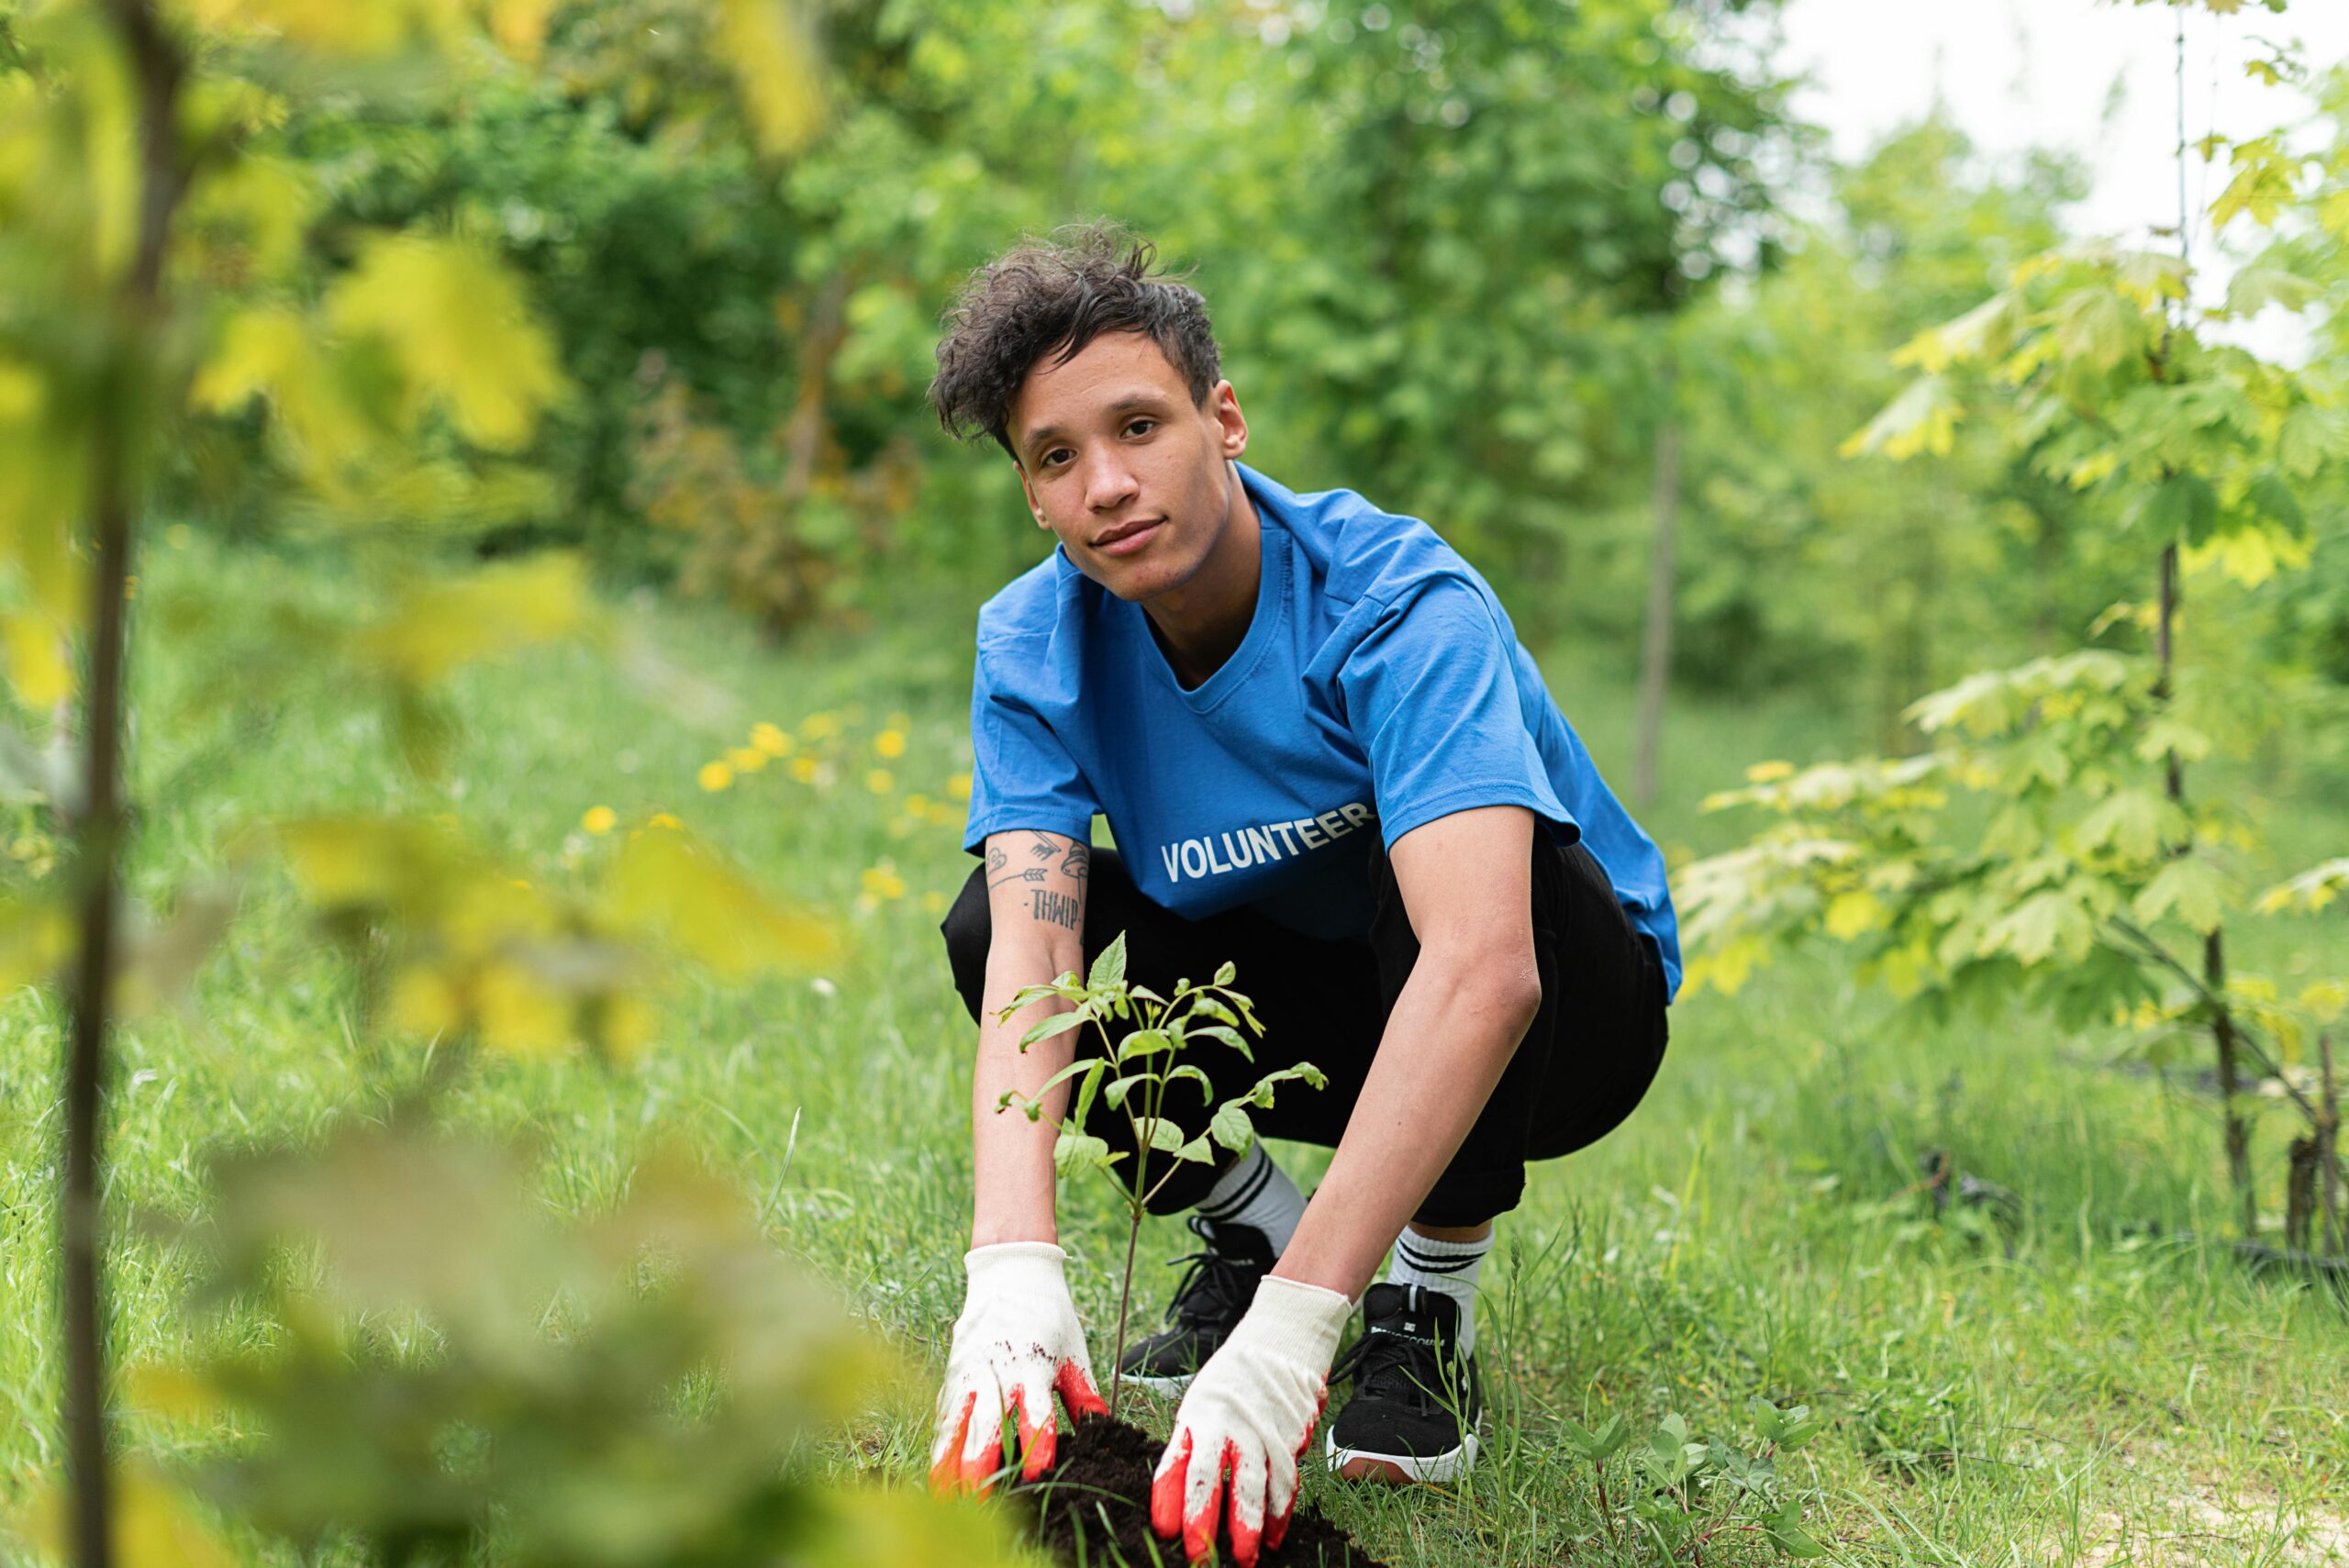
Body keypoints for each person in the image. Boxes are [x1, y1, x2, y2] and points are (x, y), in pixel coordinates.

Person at [924, 224, 1678, 1568]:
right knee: (995, 926)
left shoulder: (1393, 598)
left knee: (1481, 895)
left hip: (1562, 1019)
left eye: (1140, 425)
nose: (1108, 482)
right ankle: (1247, 1217)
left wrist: (1296, 1331)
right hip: (1291, 988)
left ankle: (1421, 1305)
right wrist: (1012, 1273)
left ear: (1223, 419)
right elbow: (1031, 971)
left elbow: (1486, 967)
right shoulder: (1031, 643)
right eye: (1056, 456)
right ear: (1033, 496)